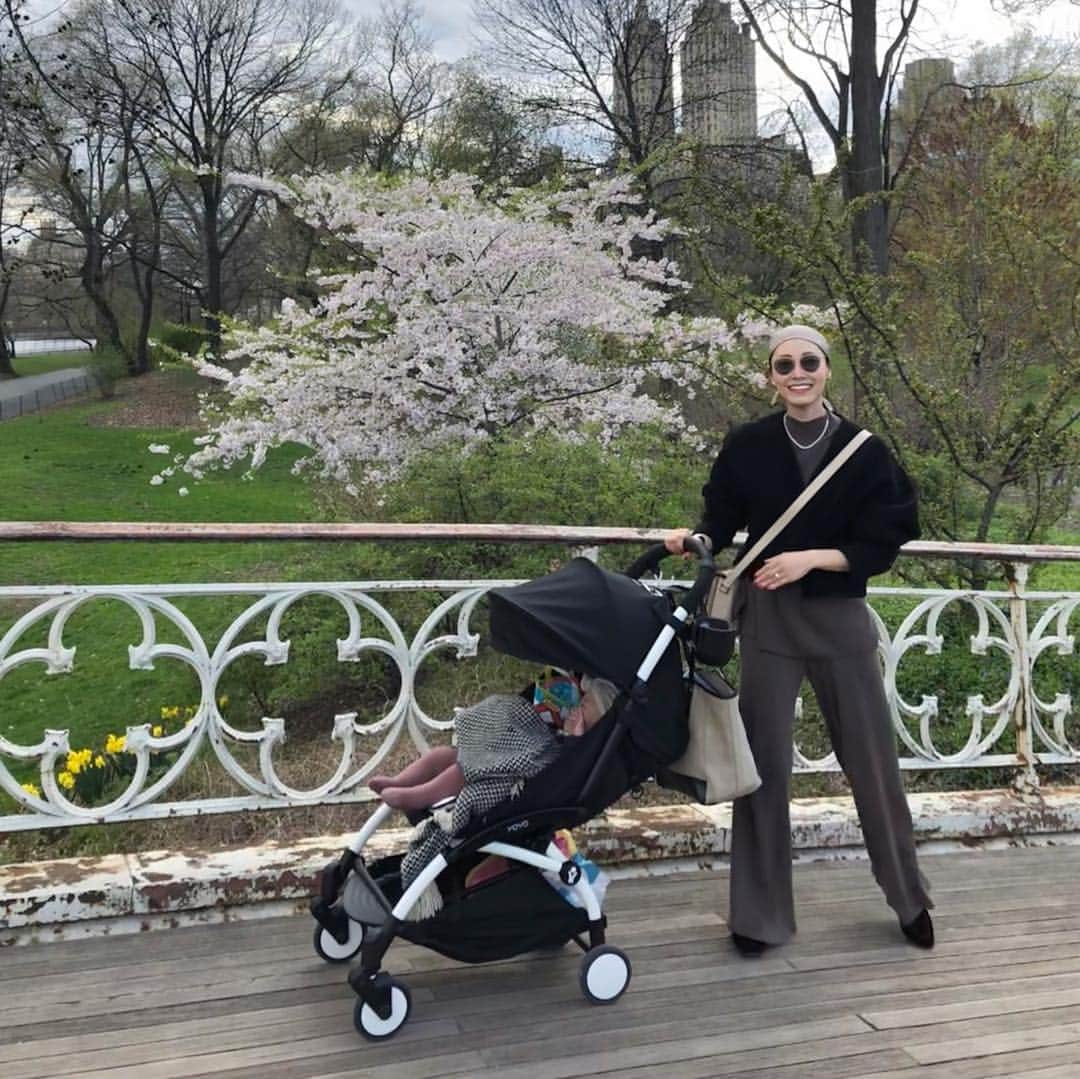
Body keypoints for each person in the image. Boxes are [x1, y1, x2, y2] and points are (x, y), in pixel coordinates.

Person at [665, 324, 934, 955]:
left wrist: (812, 558)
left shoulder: (865, 451)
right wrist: (694, 539)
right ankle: (758, 919)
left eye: (808, 361)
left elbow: (889, 533)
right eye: (783, 364)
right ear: (770, 376)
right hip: (768, 620)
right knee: (762, 769)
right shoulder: (748, 445)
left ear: (826, 369)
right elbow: (722, 521)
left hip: (839, 619)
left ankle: (910, 899)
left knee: (872, 763)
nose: (797, 372)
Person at [369, 672, 618, 811]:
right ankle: (400, 781)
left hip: (519, 775)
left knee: (462, 771)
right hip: (509, 750)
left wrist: (572, 736)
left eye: (585, 708)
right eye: (582, 702)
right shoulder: (570, 717)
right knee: (443, 755)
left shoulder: (582, 747)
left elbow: (561, 765)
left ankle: (418, 796)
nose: (577, 709)